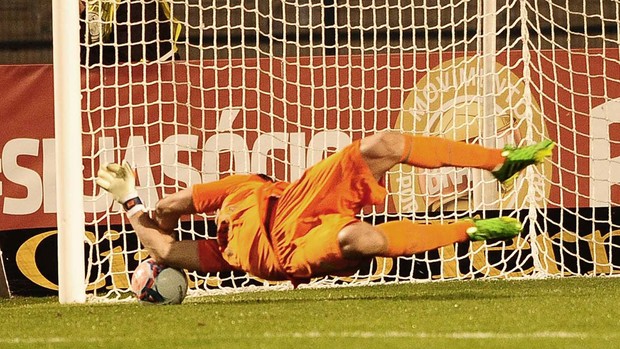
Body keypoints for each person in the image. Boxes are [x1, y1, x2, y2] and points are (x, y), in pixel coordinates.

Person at [96, 132, 554, 286]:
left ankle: (499, 163)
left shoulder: (239, 189)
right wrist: (130, 204)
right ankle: (468, 230)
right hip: (288, 255)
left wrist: (152, 209)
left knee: (385, 143)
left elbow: (170, 207)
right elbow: (167, 248)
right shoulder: (223, 256)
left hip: (300, 196)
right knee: (363, 240)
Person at [79, 0, 182, 66]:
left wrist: (78, 55)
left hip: (158, 81)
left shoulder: (138, 4)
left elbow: (126, 54)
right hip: (118, 80)